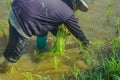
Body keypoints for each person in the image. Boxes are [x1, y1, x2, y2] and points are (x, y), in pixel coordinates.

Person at [0, 0, 90, 73]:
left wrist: (60, 31)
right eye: (77, 8)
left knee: (14, 40)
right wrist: (87, 43)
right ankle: (3, 71)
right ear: (75, 4)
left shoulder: (58, 3)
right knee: (13, 56)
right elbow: (78, 33)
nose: (76, 11)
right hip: (23, 19)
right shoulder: (68, 13)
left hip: (16, 6)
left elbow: (48, 20)